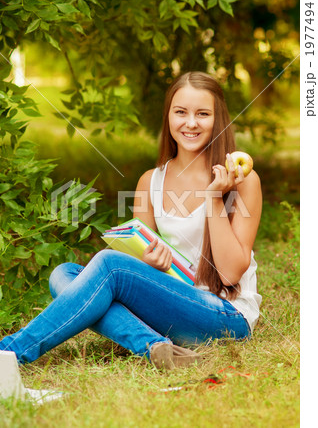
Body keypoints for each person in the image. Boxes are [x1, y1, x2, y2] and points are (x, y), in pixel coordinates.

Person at [0, 71, 262, 370]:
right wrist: (151, 263)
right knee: (64, 274)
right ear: (168, 118)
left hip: (225, 317)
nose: (190, 123)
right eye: (181, 112)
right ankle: (154, 347)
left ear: (218, 119)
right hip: (171, 305)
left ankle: (10, 351)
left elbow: (228, 274)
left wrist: (214, 197)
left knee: (110, 266)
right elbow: (140, 257)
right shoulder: (151, 181)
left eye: (202, 113)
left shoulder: (243, 179)